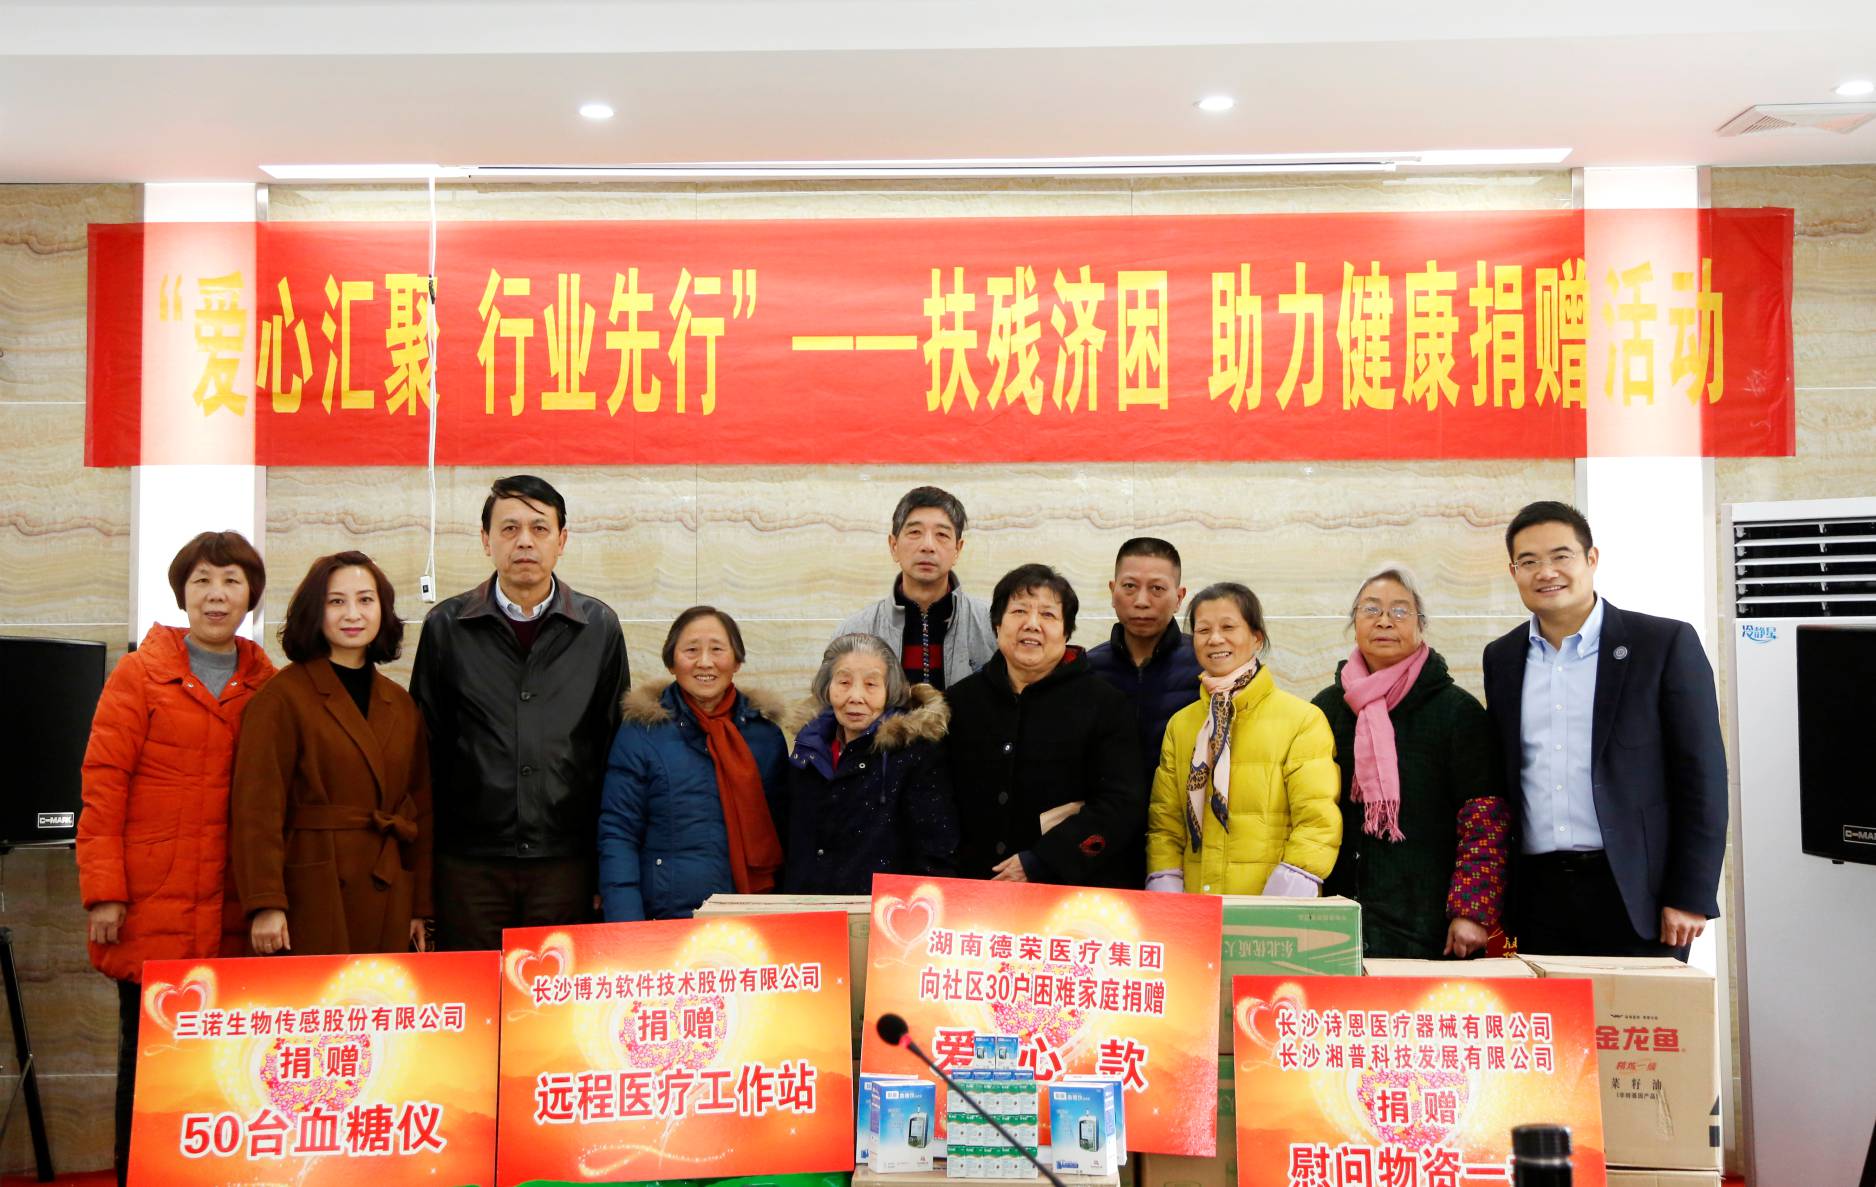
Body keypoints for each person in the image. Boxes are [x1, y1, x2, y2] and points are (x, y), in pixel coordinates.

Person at [76, 531, 274, 1187]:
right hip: (149, 906)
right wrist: (104, 891)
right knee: (147, 1063)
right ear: (182, 592)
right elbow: (103, 785)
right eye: (202, 581)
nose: (217, 595)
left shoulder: (267, 682)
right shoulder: (140, 674)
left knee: (224, 1066)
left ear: (251, 595)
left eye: (232, 581)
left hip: (231, 908)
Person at [1483, 501, 1727, 960]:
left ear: (1591, 559)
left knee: (1642, 1010)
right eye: (1529, 561)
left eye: (1561, 556)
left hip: (1638, 894)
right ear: (1513, 572)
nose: (1546, 572)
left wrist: (1691, 893)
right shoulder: (1502, 658)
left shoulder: (1662, 644)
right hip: (1538, 897)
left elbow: (1703, 776)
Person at [409, 475, 628, 950]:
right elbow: (425, 752)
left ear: (561, 541)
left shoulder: (598, 628)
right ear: (486, 540)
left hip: (564, 861)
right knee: (472, 988)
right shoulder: (447, 626)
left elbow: (611, 749)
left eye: (539, 528)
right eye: (509, 529)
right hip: (468, 865)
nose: (524, 541)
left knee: (555, 991)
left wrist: (603, 867)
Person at [231, 552, 432, 957]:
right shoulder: (281, 697)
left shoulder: (400, 702)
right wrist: (265, 902)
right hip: (311, 888)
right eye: (336, 601)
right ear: (315, 611)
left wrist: (419, 907)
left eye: (365, 600)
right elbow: (257, 809)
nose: (352, 614)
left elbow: (420, 808)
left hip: (388, 887)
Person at [1312, 567, 1508, 958]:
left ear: (1421, 624)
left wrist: (1471, 911)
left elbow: (1485, 819)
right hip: (1333, 921)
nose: (1384, 621)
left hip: (1427, 922)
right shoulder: (1326, 709)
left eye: (1400, 611)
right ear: (1354, 623)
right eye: (1371, 609)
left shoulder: (1456, 711)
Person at [944, 564, 1143, 887]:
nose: (1032, 624)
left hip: (1068, 894)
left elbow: (1120, 804)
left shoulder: (1105, 704)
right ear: (997, 624)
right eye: (1019, 611)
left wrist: (1043, 861)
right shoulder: (958, 702)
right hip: (971, 892)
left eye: (1048, 615)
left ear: (1066, 632)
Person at [1146, 583, 1341, 896]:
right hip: (1194, 908)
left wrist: (1284, 895)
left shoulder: (1302, 720)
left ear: (1256, 638)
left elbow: (1317, 821)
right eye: (1203, 630)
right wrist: (1167, 887)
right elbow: (1165, 824)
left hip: (1269, 907)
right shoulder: (1181, 725)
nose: (1215, 639)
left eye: (1228, 627)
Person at [598, 607, 789, 919]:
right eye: (691, 650)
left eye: (717, 649)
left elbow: (785, 831)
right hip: (666, 916)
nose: (705, 662)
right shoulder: (642, 733)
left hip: (751, 916)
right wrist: (625, 923)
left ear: (736, 661)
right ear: (671, 662)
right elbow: (618, 833)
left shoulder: (764, 736)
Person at [776, 633, 958, 894]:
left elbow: (935, 852)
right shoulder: (808, 749)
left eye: (871, 684)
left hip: (883, 910)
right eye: (844, 682)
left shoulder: (914, 754)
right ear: (827, 687)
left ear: (889, 692)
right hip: (808, 909)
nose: (856, 696)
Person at [1086, 537, 1203, 885]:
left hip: (1185, 843)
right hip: (1103, 845)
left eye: (1157, 589)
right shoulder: (1087, 669)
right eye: (1129, 586)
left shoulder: (1204, 668)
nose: (1141, 601)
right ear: (1112, 591)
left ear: (1179, 597)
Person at [835, 485, 995, 691]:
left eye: (941, 534)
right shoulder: (854, 632)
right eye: (915, 532)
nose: (928, 545)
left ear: (958, 549)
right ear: (894, 546)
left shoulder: (993, 626)